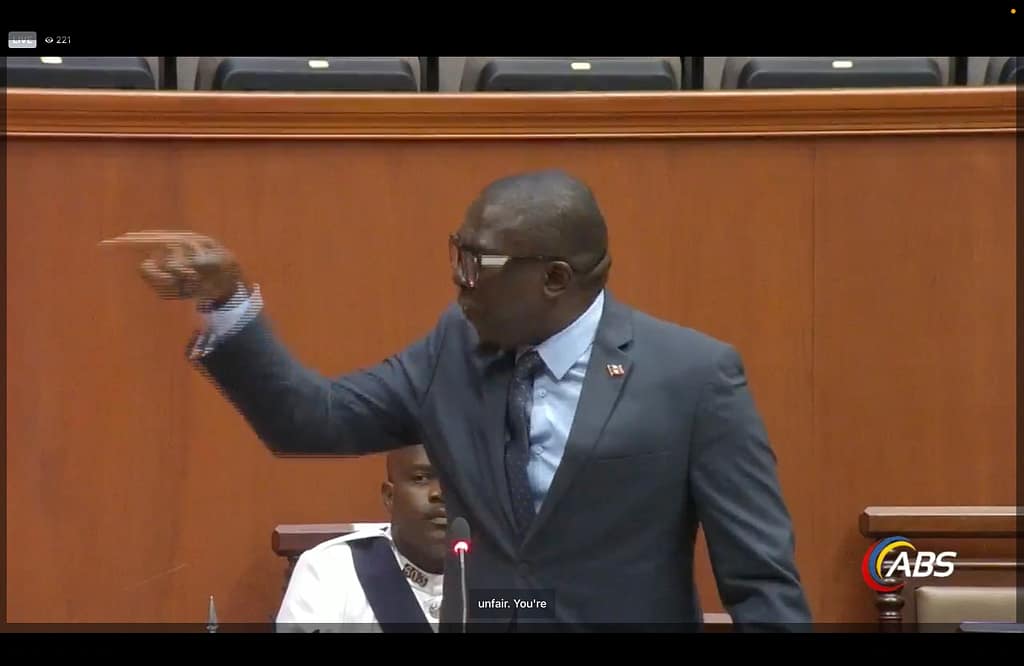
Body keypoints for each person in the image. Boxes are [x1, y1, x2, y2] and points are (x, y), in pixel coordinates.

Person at [104, 169, 812, 632]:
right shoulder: (454, 349)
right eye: (457, 254)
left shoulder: (692, 377)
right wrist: (228, 303)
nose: (459, 281)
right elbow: (311, 419)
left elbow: (761, 584)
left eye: (478, 263)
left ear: (555, 279)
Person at [276, 444, 446, 633]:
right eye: (421, 478)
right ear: (389, 496)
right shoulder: (331, 570)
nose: (440, 493)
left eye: (455, 480)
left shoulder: (475, 574)